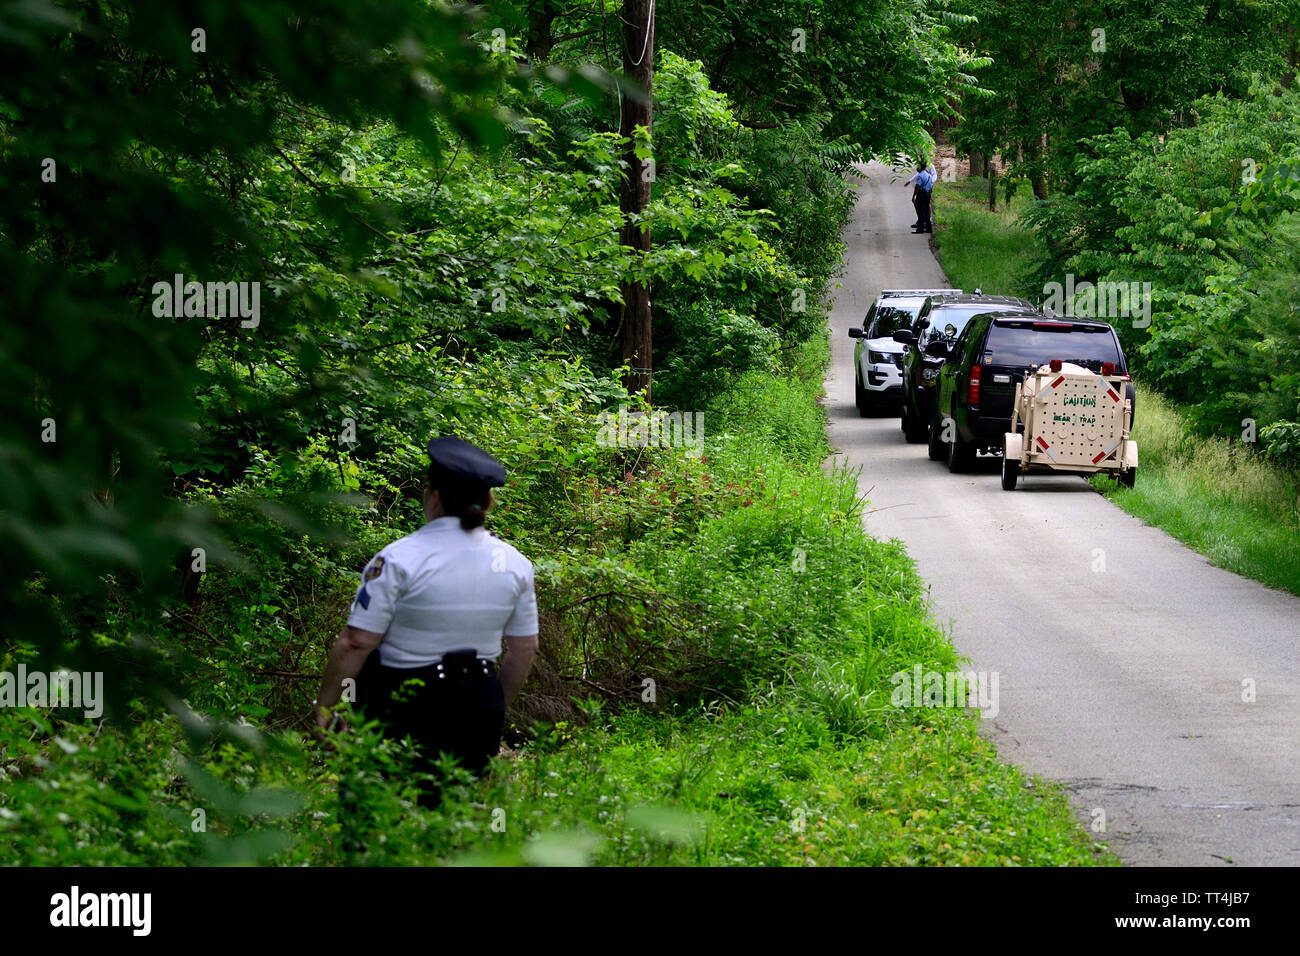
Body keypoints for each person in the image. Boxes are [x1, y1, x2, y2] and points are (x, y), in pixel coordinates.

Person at [312, 435, 539, 810]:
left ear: (433, 496)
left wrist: (325, 706)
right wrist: (494, 705)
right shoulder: (515, 563)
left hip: (402, 704)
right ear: (486, 502)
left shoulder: (399, 558)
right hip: (476, 702)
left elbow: (357, 642)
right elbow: (524, 648)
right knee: (454, 819)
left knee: (375, 815)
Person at [904, 161, 935, 233]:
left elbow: (917, 187)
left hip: (922, 195)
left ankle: (920, 229)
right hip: (928, 194)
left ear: (921, 167)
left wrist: (913, 196)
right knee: (926, 211)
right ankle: (928, 229)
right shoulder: (929, 175)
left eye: (918, 167)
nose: (917, 168)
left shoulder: (921, 176)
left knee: (920, 211)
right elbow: (930, 186)